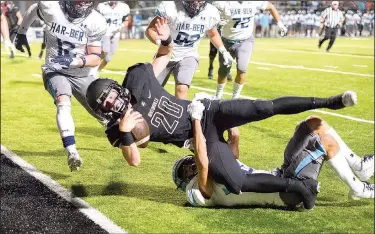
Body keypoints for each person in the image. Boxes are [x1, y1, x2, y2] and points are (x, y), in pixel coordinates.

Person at [85, 17, 358, 209]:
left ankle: (329, 101)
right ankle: (294, 187)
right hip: (199, 135)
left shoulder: (137, 79)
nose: (112, 105)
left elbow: (165, 54)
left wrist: (166, 37)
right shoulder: (116, 129)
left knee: (264, 107)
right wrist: (125, 132)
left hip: (207, 113)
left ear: (116, 88)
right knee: (235, 181)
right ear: (101, 112)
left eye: (110, 97)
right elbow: (133, 161)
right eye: (105, 106)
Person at [172, 115, 374, 208]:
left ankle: (360, 166)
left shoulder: (219, 172)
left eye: (188, 163)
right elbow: (203, 164)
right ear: (185, 183)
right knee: (326, 142)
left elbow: (233, 145)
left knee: (312, 123)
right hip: (286, 192)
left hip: (281, 172)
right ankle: (359, 189)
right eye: (186, 171)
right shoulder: (205, 191)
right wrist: (197, 124)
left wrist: (227, 121)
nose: (190, 167)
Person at [14, 1, 107, 171]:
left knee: (104, 112)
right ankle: (72, 152)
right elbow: (34, 9)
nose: (82, 5)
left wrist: (74, 61)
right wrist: (21, 32)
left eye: (86, 1)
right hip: (54, 69)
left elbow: (95, 57)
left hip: (81, 73)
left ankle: (125, 136)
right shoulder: (52, 7)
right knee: (63, 101)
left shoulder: (96, 20)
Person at [145, 0, 236, 100]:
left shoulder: (210, 12)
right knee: (149, 89)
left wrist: (223, 51)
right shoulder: (170, 8)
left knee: (182, 88)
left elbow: (213, 34)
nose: (196, 3)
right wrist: (162, 43)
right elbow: (150, 30)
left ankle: (180, 114)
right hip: (166, 54)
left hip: (188, 55)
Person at [212, 1, 288, 99]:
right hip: (227, 41)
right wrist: (217, 21)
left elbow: (271, 7)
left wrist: (280, 24)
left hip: (245, 40)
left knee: (242, 69)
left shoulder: (254, 2)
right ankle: (218, 96)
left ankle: (235, 98)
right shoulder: (223, 3)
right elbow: (209, 15)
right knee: (223, 71)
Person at [97, 1, 130, 71]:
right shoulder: (102, 6)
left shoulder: (124, 7)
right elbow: (96, 19)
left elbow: (126, 20)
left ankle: (98, 70)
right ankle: (94, 63)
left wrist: (122, 26)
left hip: (116, 33)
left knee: (108, 58)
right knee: (105, 50)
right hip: (105, 32)